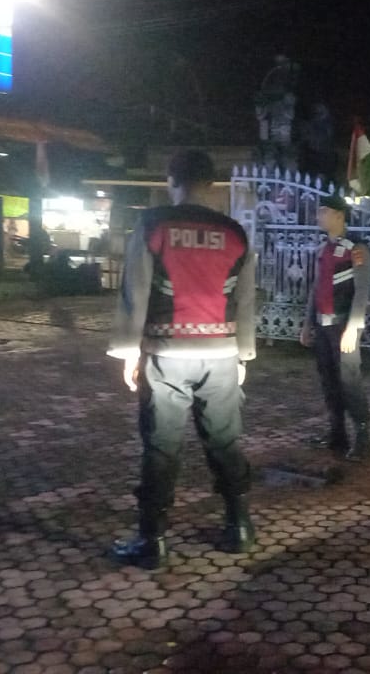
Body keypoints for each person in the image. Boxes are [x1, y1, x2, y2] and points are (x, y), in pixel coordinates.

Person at [107, 150, 258, 568]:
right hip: (222, 355)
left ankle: (152, 540)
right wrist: (244, 354)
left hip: (166, 353)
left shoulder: (153, 224)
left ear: (172, 180)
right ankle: (240, 526)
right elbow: (245, 299)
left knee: (161, 447)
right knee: (225, 442)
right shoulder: (235, 233)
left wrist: (128, 351)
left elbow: (135, 290)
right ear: (211, 184)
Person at [300, 194, 370, 461]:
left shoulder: (357, 247)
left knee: (349, 382)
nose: (319, 217)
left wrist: (354, 328)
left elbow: (362, 290)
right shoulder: (324, 249)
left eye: (324, 212)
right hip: (323, 327)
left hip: (344, 327)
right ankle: (337, 434)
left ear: (340, 216)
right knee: (329, 381)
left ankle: (363, 440)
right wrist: (307, 323)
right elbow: (316, 288)